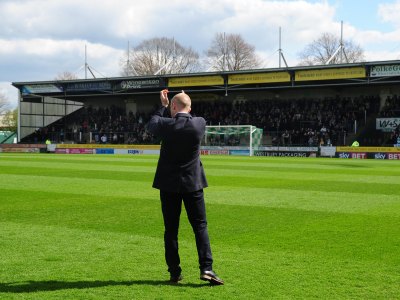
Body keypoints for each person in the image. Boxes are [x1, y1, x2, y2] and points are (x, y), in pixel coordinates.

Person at [147, 89, 224, 285]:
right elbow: (187, 112)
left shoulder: (165, 124)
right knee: (200, 226)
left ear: (173, 107)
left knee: (171, 230)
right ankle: (206, 268)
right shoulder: (199, 123)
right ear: (190, 108)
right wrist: (181, 101)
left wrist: (164, 107)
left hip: (168, 185)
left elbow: (153, 124)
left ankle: (174, 272)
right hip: (193, 184)